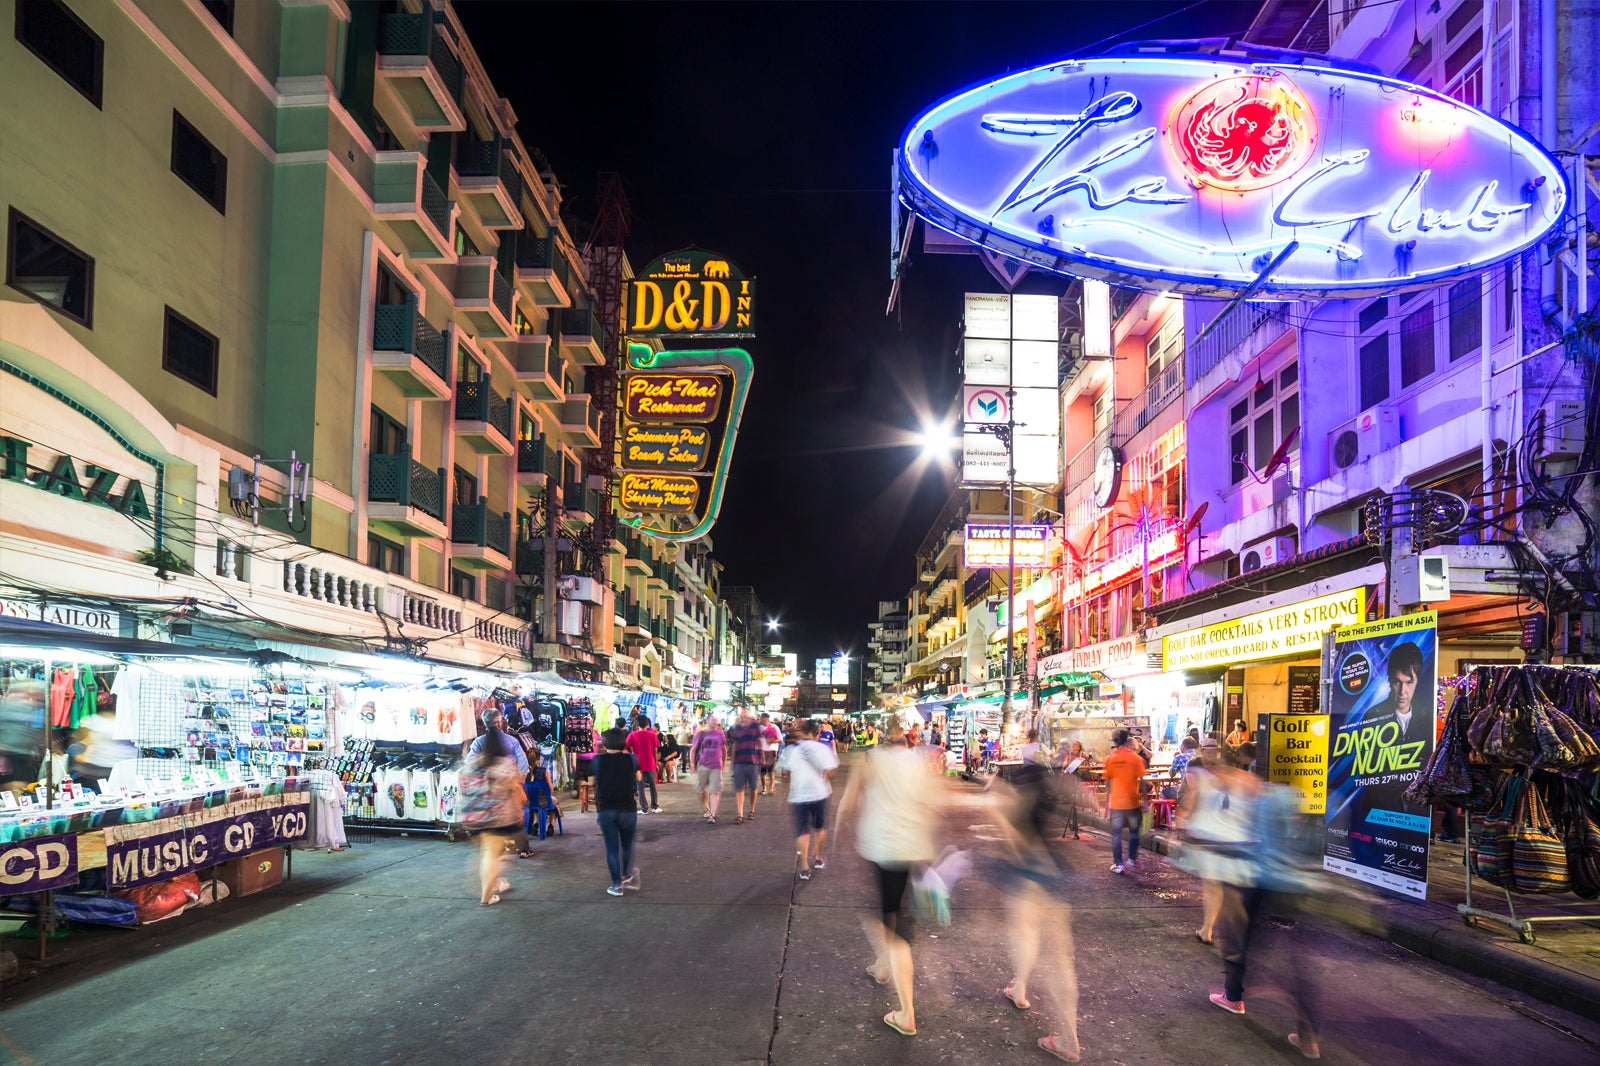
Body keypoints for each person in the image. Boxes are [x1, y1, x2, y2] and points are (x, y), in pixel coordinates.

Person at [836, 718, 939, 1039]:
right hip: (912, 846)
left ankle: (907, 1013)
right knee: (889, 911)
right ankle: (882, 966)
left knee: (893, 927)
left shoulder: (868, 759)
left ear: (880, 733)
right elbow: (931, 803)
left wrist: (838, 829)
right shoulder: (920, 761)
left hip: (884, 847)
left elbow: (848, 803)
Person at [1208, 781, 1322, 1060]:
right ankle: (1309, 1039)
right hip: (1298, 884)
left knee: (1239, 938)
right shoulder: (1305, 799)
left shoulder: (1261, 800)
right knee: (1301, 960)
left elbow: (1248, 841)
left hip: (1264, 880)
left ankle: (1234, 997)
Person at [992, 761, 1081, 1063]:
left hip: (1027, 877)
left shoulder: (1017, 807)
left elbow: (1015, 844)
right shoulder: (1046, 802)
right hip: (1055, 875)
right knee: (1059, 959)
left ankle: (1066, 1039)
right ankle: (1019, 988)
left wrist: (1001, 818)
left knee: (1027, 939)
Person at [1178, 738, 1257, 945]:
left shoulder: (1204, 779)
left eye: (1214, 753)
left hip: (1213, 838)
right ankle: (1211, 929)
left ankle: (1213, 929)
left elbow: (1192, 802)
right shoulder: (1243, 779)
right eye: (1209, 752)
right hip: (1234, 839)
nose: (1212, 756)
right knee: (1222, 886)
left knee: (1214, 886)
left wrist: (1185, 826)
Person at [460, 720, 525, 906]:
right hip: (497, 819)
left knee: (489, 854)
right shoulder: (504, 764)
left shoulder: (472, 764)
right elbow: (514, 792)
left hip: (474, 817)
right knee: (493, 856)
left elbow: (464, 787)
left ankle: (495, 883)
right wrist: (518, 816)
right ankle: (486, 896)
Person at [780, 719, 840, 879]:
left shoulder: (790, 750)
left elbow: (785, 774)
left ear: (801, 732)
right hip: (820, 793)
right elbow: (832, 772)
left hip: (798, 795)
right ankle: (819, 858)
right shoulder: (822, 748)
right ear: (817, 733)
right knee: (820, 828)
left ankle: (805, 867)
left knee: (803, 831)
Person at [594, 728, 642, 896]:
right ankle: (626, 875)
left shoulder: (597, 760)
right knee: (627, 845)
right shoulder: (631, 759)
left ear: (605, 743)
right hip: (628, 808)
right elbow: (639, 778)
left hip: (607, 809)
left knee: (612, 849)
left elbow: (593, 780)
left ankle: (617, 885)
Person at [1102, 728, 1145, 874]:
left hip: (1116, 804)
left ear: (1114, 742)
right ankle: (1132, 859)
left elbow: (1107, 783)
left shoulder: (1110, 759)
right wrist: (1144, 801)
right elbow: (1143, 781)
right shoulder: (1135, 758)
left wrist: (1107, 805)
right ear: (1128, 740)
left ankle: (1118, 864)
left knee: (1116, 835)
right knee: (1134, 832)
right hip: (1133, 803)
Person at [1371, 641, 1431, 745]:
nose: (1402, 692)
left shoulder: (1427, 718)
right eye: (1397, 682)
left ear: (1417, 681)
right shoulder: (1373, 716)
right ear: (1389, 680)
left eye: (1409, 683)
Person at [727, 709, 765, 823]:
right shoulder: (736, 728)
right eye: (741, 714)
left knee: (753, 787)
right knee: (740, 788)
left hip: (753, 760)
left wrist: (762, 755)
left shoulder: (755, 726)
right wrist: (732, 761)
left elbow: (759, 741)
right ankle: (740, 813)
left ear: (749, 716)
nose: (743, 716)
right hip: (739, 761)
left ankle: (752, 810)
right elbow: (734, 744)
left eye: (745, 714)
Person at [690, 716, 726, 822]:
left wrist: (723, 763)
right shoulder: (700, 734)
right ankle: (706, 808)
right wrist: (692, 764)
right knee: (701, 790)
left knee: (715, 790)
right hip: (703, 764)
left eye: (716, 720)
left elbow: (724, 748)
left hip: (716, 765)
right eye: (713, 720)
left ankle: (712, 814)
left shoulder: (720, 733)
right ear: (707, 721)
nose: (715, 722)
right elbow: (693, 749)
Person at [626, 716, 661, 813]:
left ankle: (644, 808)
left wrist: (632, 753)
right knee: (653, 786)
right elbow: (655, 750)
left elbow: (627, 746)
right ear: (647, 724)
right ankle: (655, 807)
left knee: (640, 787)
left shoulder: (632, 735)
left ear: (637, 724)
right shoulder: (652, 735)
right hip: (650, 763)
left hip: (638, 764)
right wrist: (656, 763)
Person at [758, 713, 783, 795]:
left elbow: (780, 740)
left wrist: (772, 741)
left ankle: (772, 788)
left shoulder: (774, 727)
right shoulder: (759, 728)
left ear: (766, 719)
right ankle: (764, 788)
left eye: (762, 719)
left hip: (771, 750)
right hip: (761, 751)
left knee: (771, 771)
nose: (760, 720)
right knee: (762, 771)